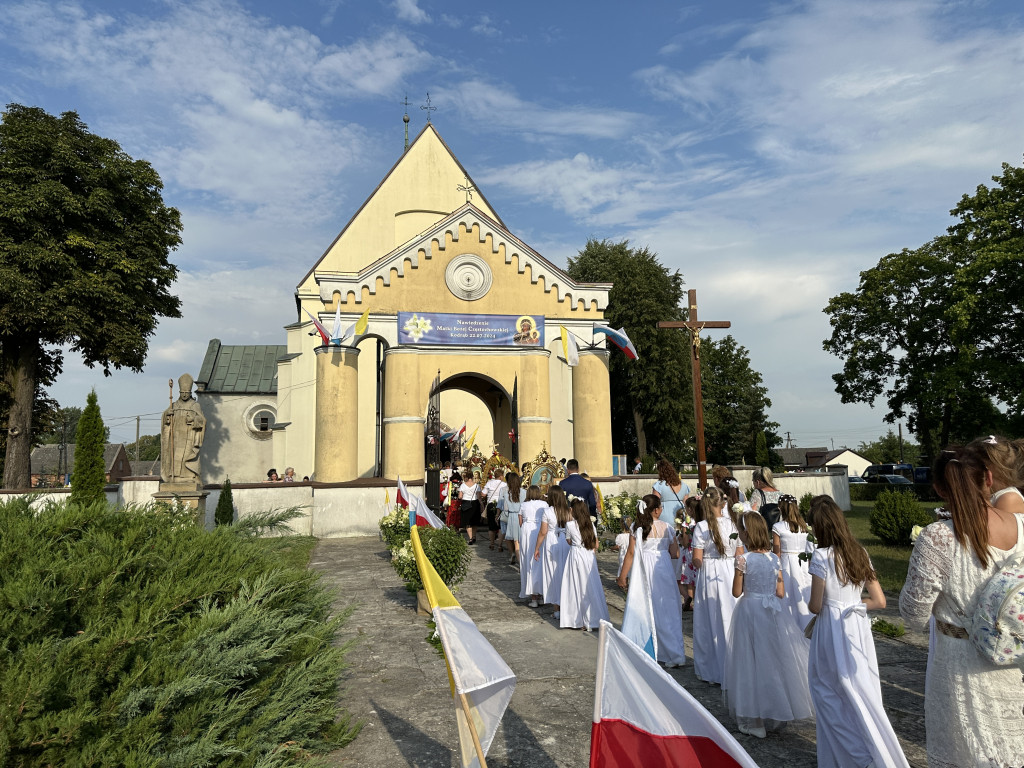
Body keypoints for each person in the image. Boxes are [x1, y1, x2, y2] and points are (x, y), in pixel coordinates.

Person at [899, 445, 1024, 767]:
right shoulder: (1021, 525)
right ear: (990, 479)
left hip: (959, 662)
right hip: (1013, 656)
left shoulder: (939, 537)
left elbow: (913, 614)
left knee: (963, 750)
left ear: (939, 488)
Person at [807, 495, 909, 768]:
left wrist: (832, 604)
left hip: (831, 628)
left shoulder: (821, 556)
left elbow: (816, 606)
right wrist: (853, 603)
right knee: (860, 689)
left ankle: (856, 756)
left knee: (826, 690)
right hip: (856, 628)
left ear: (820, 528)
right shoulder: (860, 552)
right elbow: (880, 601)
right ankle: (871, 747)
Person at [724, 512, 814, 738]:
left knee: (749, 662)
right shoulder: (775, 559)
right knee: (772, 660)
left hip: (750, 611)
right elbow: (781, 592)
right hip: (772, 612)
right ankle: (775, 713)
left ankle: (753, 721)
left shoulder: (743, 559)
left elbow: (736, 592)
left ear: (746, 533)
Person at [617, 494, 687, 668]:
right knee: (668, 608)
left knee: (646, 607)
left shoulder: (637, 527)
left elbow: (631, 553)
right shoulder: (667, 528)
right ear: (656, 510)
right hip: (662, 568)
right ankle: (673, 652)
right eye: (661, 507)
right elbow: (675, 554)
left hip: (644, 569)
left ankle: (648, 646)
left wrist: (622, 575)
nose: (662, 510)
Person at [691, 486, 742, 684]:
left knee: (710, 619)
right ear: (723, 503)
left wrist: (700, 566)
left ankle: (712, 669)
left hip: (710, 573)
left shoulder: (702, 527)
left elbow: (697, 558)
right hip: (731, 571)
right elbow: (739, 554)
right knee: (731, 616)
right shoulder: (733, 525)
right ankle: (734, 667)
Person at [561, 498, 610, 630]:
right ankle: (594, 617)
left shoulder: (570, 525)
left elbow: (568, 541)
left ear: (573, 511)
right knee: (591, 585)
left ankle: (578, 619)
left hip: (576, 556)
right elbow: (596, 544)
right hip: (589, 556)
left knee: (577, 585)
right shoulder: (590, 524)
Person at [772, 494, 814, 631]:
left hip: (786, 563)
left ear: (781, 508)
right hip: (802, 561)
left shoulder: (778, 527)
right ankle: (806, 623)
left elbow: (777, 553)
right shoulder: (804, 527)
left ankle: (789, 627)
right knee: (802, 593)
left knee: (788, 596)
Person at [534, 486, 571, 614]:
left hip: (551, 541)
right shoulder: (568, 510)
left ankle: (556, 609)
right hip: (566, 541)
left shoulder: (547, 511)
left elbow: (543, 532)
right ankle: (566, 605)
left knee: (552, 573)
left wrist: (537, 548)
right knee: (564, 573)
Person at [967, 434, 1024, 515]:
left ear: (987, 473)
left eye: (969, 468)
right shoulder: (994, 496)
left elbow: (994, 527)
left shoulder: (1008, 499)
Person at [519, 485, 547, 606]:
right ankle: (540, 594)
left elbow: (520, 522)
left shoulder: (524, 505)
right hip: (539, 529)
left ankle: (533, 597)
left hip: (527, 530)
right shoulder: (544, 504)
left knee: (528, 560)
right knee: (539, 562)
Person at [679, 496, 703, 611]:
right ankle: (699, 603)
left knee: (689, 582)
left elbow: (685, 542)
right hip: (699, 553)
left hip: (689, 553)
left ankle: (689, 601)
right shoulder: (702, 521)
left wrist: (681, 538)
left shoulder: (687, 524)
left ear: (689, 509)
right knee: (698, 579)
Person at [652, 458, 690, 526]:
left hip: (664, 516)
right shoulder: (683, 485)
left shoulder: (659, 485)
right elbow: (687, 503)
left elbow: (655, 503)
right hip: (680, 515)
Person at [500, 472, 525, 566]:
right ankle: (523, 563)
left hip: (512, 517)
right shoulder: (524, 492)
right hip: (521, 516)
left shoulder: (506, 493)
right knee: (522, 541)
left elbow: (505, 508)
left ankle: (519, 564)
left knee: (516, 542)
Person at [482, 468, 506, 550]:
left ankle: (492, 544)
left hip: (491, 504)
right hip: (501, 505)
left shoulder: (489, 483)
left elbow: (483, 494)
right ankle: (500, 545)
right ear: (501, 476)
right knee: (500, 526)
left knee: (491, 526)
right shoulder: (504, 485)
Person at [458, 471, 482, 544]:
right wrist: (482, 505)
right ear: (472, 477)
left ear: (466, 477)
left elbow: (460, 496)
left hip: (466, 503)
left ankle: (471, 538)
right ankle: (474, 536)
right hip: (475, 503)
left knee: (468, 522)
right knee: (474, 521)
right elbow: (479, 497)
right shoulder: (477, 486)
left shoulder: (463, 485)